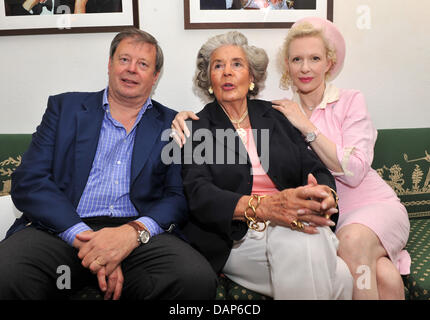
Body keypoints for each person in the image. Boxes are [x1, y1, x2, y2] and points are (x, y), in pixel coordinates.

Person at [173, 17, 411, 300]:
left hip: (293, 220)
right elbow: (199, 194)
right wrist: (266, 207)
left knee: (321, 255)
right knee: (341, 275)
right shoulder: (198, 128)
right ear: (208, 79)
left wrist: (324, 193)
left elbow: (314, 167)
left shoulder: (276, 115)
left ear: (251, 77)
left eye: (237, 64)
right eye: (218, 65)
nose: (227, 72)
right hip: (239, 236)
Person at [0, 28, 217, 300]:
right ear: (109, 64)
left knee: (194, 279)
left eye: (143, 64)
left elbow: (178, 197)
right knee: (6, 272)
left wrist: (131, 234)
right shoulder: (64, 108)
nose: (131, 70)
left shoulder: (171, 124)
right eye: (124, 59)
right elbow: (30, 181)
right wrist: (83, 237)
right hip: (61, 229)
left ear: (155, 76)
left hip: (138, 238)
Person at [273, 17, 410, 300]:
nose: (305, 67)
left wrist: (307, 127)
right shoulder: (279, 112)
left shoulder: (350, 100)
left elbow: (356, 170)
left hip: (376, 207)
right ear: (287, 66)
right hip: (333, 219)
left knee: (351, 242)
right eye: (297, 59)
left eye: (314, 58)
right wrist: (184, 121)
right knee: (383, 275)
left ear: (329, 63)